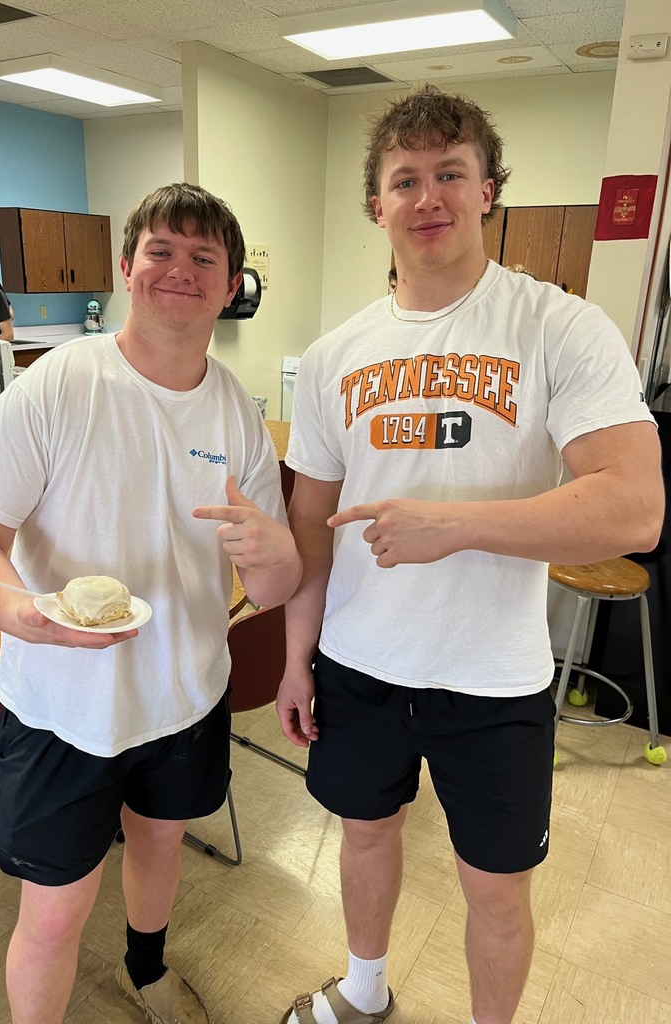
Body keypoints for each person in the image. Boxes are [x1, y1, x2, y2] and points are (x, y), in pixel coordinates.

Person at [276, 84, 664, 1024]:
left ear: (489, 189)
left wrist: (458, 527)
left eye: (451, 171)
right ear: (376, 203)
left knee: (496, 890)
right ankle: (364, 993)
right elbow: (310, 531)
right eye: (404, 178)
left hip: (492, 679)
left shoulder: (558, 327)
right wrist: (294, 659)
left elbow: (635, 508)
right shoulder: (335, 356)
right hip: (359, 666)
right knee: (365, 839)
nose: (428, 196)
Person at [0, 182, 302, 1024]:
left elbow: (275, 587)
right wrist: (23, 613)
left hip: (183, 697)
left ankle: (147, 969)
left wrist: (278, 554)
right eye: (162, 251)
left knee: (160, 846)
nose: (181, 270)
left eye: (204, 257)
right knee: (56, 908)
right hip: (65, 706)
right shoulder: (59, 384)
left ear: (231, 282)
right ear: (128, 267)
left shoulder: (237, 414)